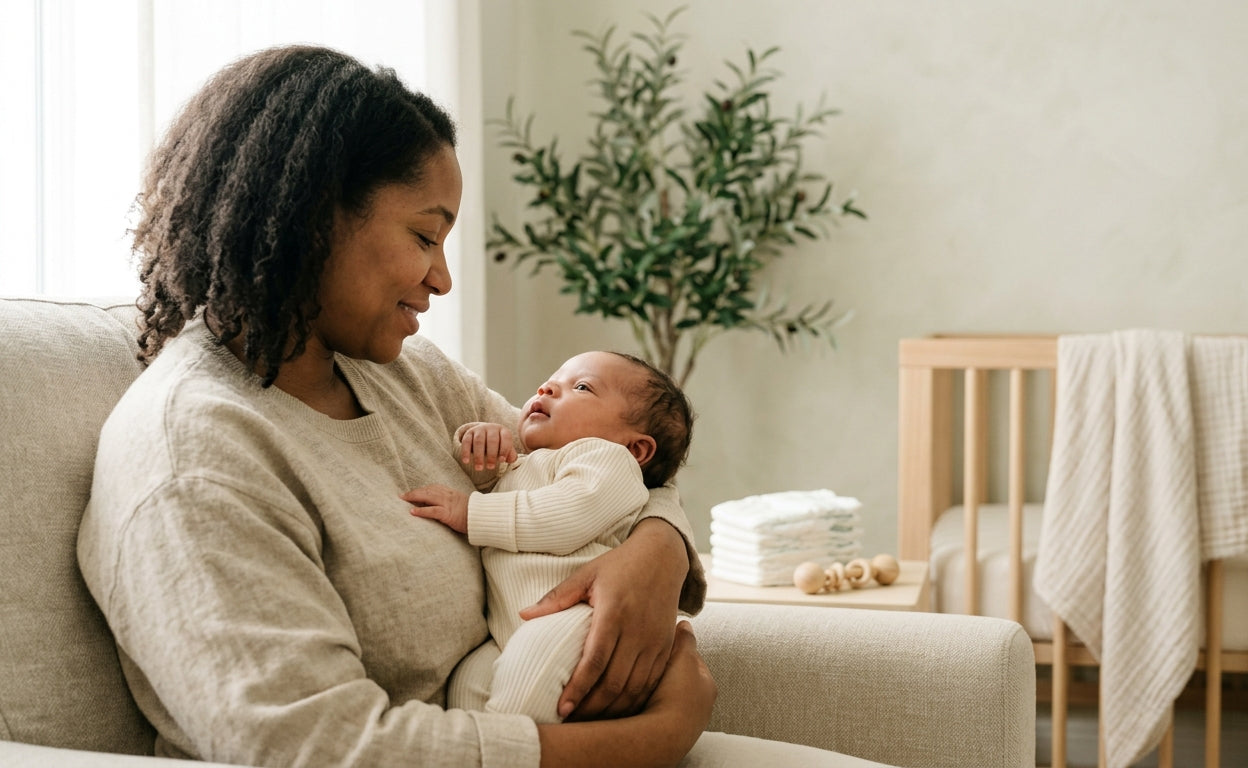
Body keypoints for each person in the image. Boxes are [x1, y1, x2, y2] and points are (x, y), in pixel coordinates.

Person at [75, 44, 893, 768]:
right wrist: (651, 739)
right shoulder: (195, 455)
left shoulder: (408, 376)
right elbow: (317, 748)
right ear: (311, 217)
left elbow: (605, 457)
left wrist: (658, 549)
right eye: (424, 237)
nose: (441, 279)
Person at [402, 350, 695, 724]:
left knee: (523, 691)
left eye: (582, 387)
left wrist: (471, 511)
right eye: (551, 379)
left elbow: (565, 517)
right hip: (511, 628)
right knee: (467, 685)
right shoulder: (527, 463)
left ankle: (508, 746)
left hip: (577, 618)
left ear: (635, 448)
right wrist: (481, 451)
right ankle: (481, 744)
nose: (547, 388)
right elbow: (494, 488)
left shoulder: (608, 460)